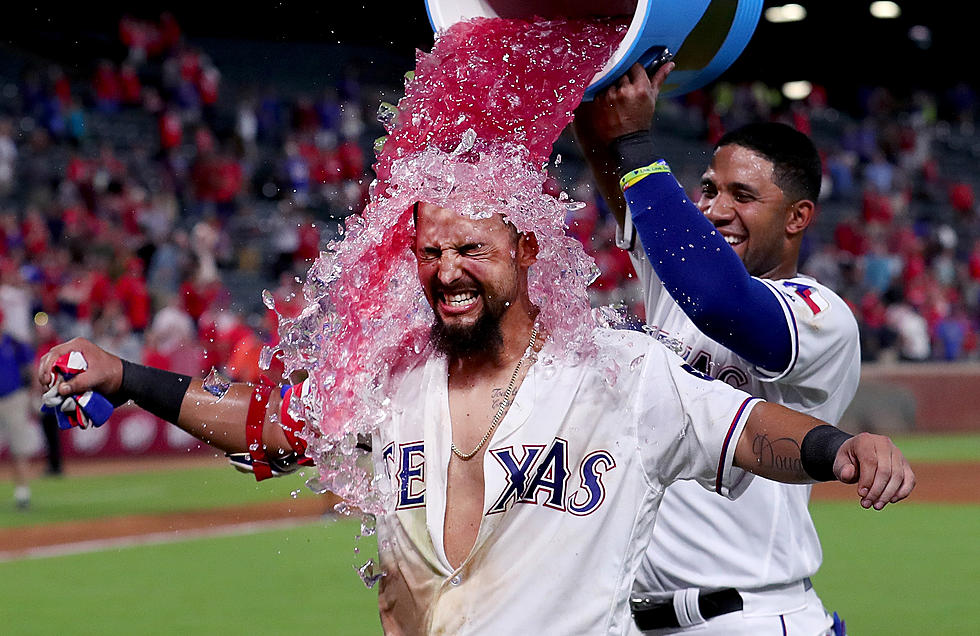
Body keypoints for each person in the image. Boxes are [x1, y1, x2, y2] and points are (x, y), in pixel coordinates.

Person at [39, 200, 913, 635]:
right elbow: (266, 424)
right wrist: (126, 378)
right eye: (431, 251)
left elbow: (750, 429)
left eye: (472, 250)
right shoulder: (391, 382)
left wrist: (843, 447)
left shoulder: (619, 373)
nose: (448, 269)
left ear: (527, 255)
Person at [573, 62, 862, 634]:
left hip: (749, 615)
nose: (715, 208)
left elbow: (721, 303)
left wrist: (636, 140)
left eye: (743, 195)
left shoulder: (821, 315)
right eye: (708, 188)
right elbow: (618, 172)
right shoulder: (679, 278)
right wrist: (595, 97)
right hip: (631, 617)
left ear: (798, 217)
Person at [1, 309, 37, 509]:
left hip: (14, 399)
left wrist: (31, 394)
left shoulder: (13, 343)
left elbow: (31, 368)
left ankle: (22, 492)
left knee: (19, 448)